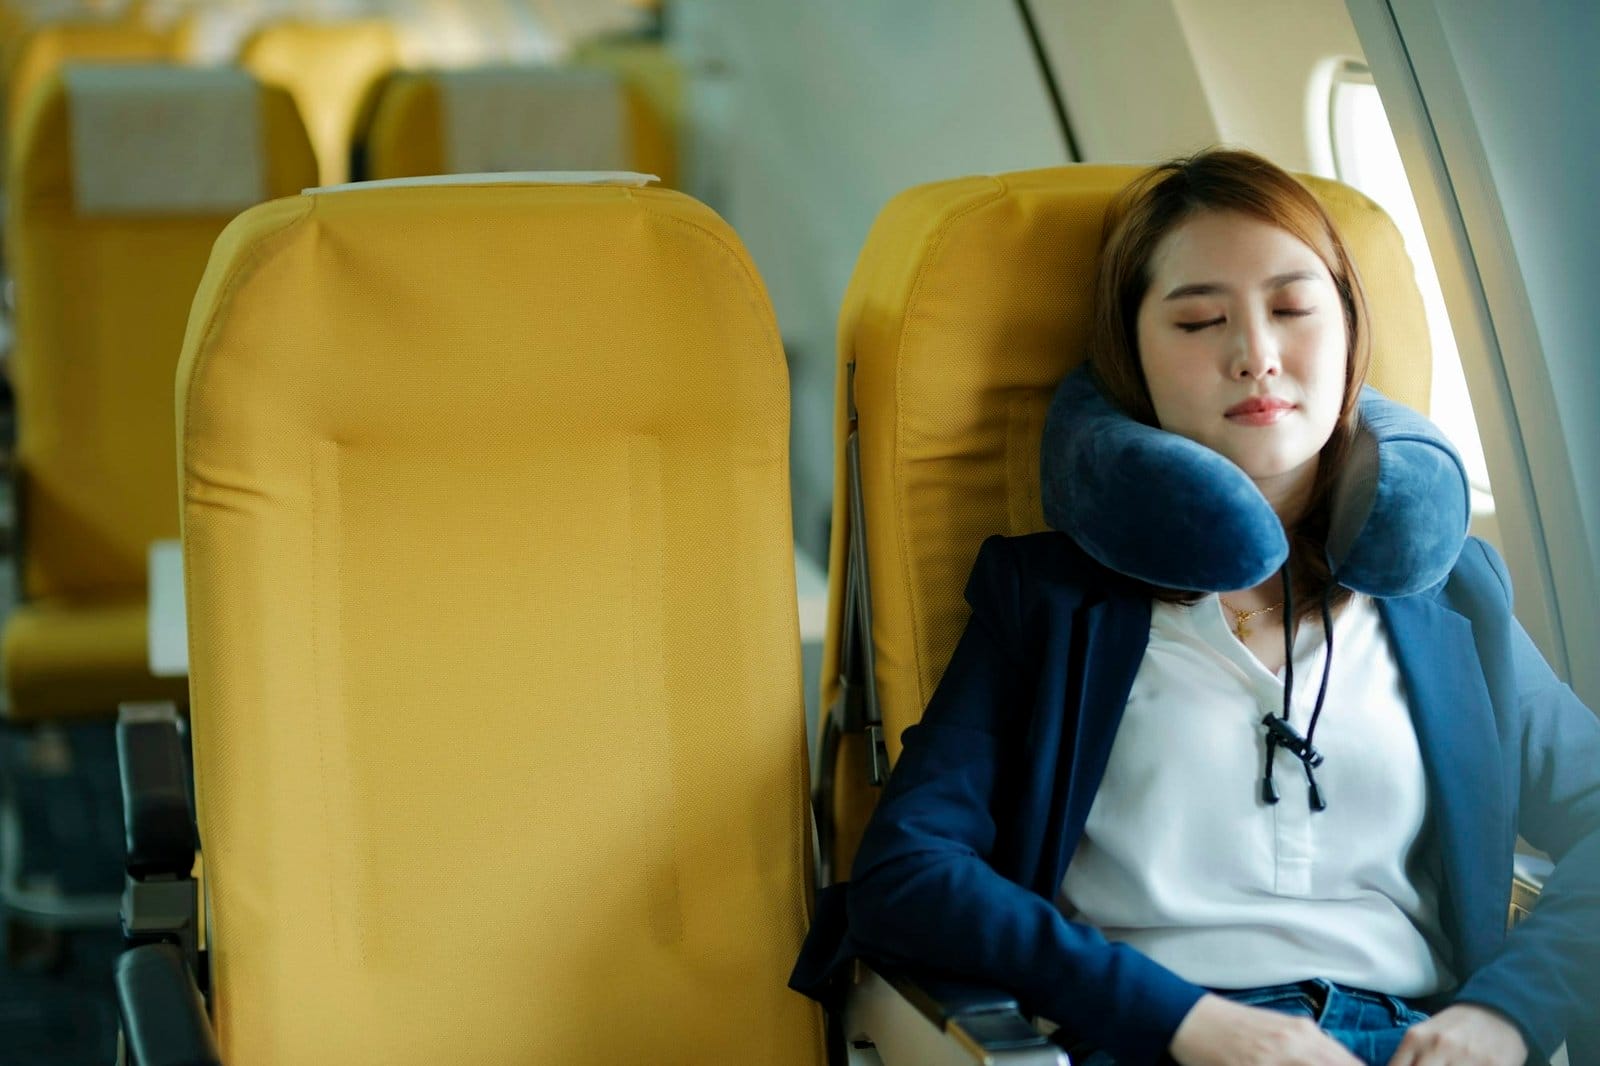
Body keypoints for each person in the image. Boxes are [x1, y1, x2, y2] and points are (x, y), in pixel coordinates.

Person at [789, 149, 1600, 1066]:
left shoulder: (1450, 591)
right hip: (1162, 1042)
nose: (1255, 355)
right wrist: (1188, 1022)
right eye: (1200, 319)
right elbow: (909, 873)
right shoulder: (1051, 599)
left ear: (1349, 334)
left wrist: (1508, 1013)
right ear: (1131, 359)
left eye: (1293, 310)